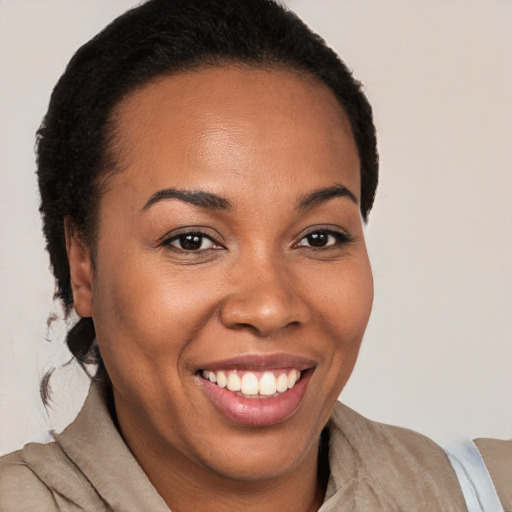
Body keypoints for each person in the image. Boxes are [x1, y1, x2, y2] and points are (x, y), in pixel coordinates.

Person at [0, 0, 510, 510]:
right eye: (192, 240)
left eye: (318, 237)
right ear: (83, 266)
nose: (269, 308)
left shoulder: (487, 496)